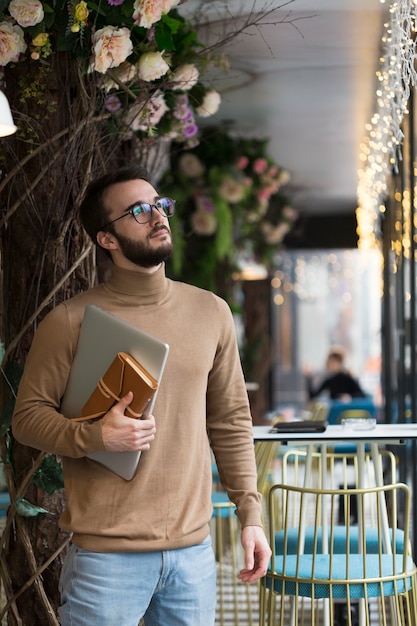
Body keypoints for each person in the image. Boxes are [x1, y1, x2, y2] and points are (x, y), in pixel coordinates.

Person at [12, 164, 271, 626]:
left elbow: (230, 419)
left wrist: (250, 512)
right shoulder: (70, 321)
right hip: (105, 562)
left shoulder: (210, 311)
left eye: (159, 204)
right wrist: (95, 436)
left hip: (193, 556)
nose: (158, 216)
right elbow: (27, 419)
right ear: (106, 239)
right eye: (138, 211)